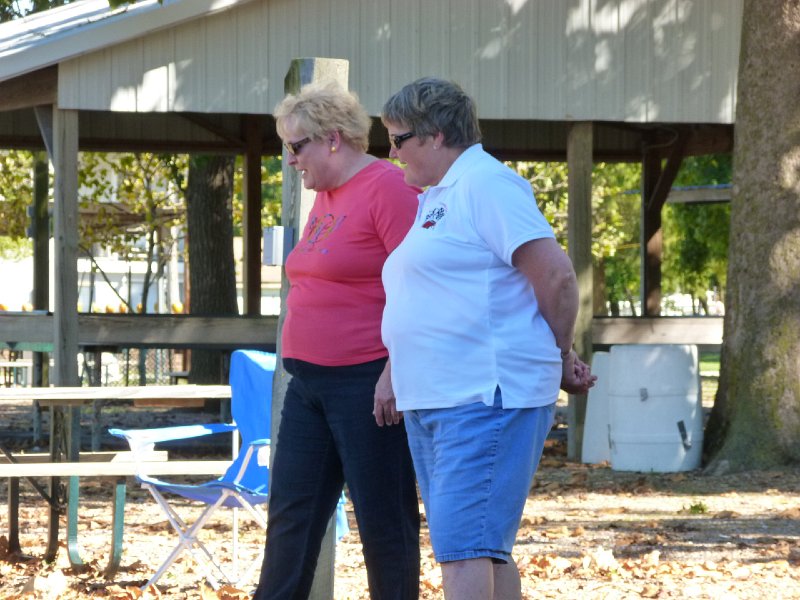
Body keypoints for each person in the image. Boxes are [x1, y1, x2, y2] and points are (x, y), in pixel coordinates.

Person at [378, 77, 596, 600]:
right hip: (438, 398)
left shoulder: (485, 184)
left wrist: (560, 352)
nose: (391, 152)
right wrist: (394, 369)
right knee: (478, 546)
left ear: (434, 135)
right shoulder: (439, 196)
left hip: (483, 398)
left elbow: (557, 276)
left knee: (464, 553)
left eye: (398, 139)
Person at [254, 81, 420, 600]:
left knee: (383, 524)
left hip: (367, 381)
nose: (290, 160)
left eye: (295, 147)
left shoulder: (388, 188)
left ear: (331, 139)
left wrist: (395, 371)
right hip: (308, 382)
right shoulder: (325, 197)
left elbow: (421, 285)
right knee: (290, 518)